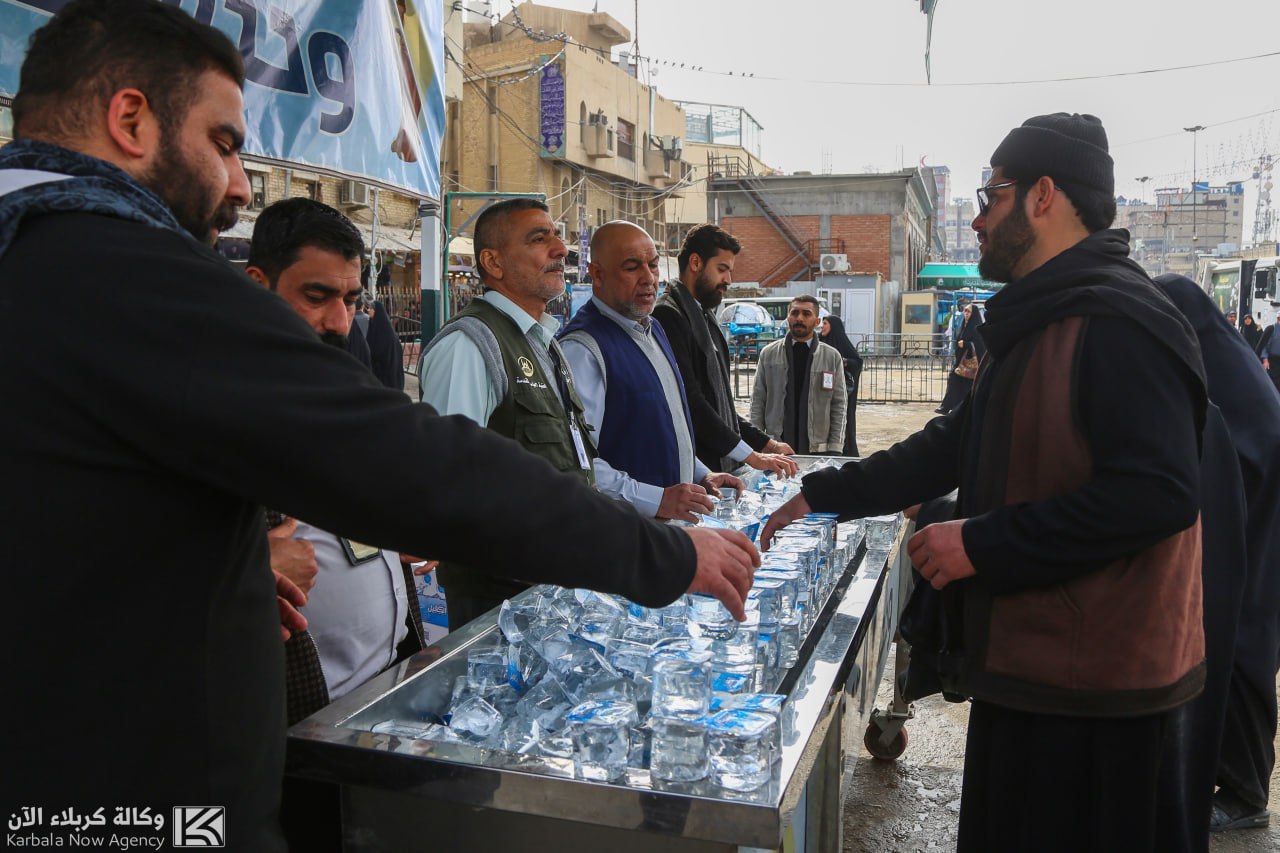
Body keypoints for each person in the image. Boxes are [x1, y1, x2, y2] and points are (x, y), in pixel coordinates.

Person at [0, 3, 757, 848]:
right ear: (131, 118)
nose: (241, 185)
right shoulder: (121, 275)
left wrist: (212, 567)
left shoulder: (39, 264)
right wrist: (662, 555)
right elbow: (416, 464)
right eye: (223, 142)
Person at [762, 113, 1208, 851]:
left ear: (1043, 195)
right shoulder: (1041, 317)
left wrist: (980, 543)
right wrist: (824, 492)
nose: (976, 219)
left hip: (1099, 701)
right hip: (1034, 669)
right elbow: (956, 441)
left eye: (990, 196)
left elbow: (1158, 494)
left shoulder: (1119, 321)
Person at [244, 197, 423, 712]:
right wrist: (248, 570)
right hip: (297, 719)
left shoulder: (344, 393)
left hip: (393, 681)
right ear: (257, 286)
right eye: (317, 296)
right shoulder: (212, 408)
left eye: (351, 299)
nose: (340, 321)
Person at [418, 197, 596, 629]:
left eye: (557, 236)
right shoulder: (469, 345)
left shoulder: (542, 341)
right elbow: (449, 483)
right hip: (501, 605)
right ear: (493, 262)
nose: (561, 249)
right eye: (539, 239)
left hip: (557, 588)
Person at [1152, 274, 1280, 841]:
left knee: (1245, 654)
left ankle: (1248, 793)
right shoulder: (1229, 369)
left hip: (1258, 545)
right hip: (1254, 540)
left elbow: (1241, 461)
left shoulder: (1238, 389)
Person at [558, 221, 744, 522]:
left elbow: (664, 429)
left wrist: (700, 474)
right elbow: (578, 462)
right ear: (597, 274)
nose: (648, 278)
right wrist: (657, 499)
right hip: (625, 532)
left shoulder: (652, 329)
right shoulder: (583, 350)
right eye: (632, 267)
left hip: (668, 529)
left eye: (654, 265)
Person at [651, 223, 797, 477]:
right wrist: (752, 456)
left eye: (730, 271)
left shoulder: (705, 316)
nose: (728, 280)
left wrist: (766, 444)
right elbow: (692, 403)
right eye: (722, 269)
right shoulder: (668, 315)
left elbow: (721, 405)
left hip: (719, 470)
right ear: (695, 262)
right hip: (695, 473)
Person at [748, 296, 847, 456]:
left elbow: (839, 405)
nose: (799, 318)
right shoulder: (769, 354)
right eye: (795, 313)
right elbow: (758, 401)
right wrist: (757, 443)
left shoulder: (831, 357)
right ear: (788, 318)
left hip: (818, 448)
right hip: (777, 447)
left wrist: (835, 447)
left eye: (806, 314)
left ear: (817, 321)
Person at [818, 314, 863, 456]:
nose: (822, 327)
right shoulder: (818, 342)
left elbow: (857, 362)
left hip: (839, 392)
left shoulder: (842, 342)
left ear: (834, 326)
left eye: (825, 323)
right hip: (821, 392)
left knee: (841, 419)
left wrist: (843, 362)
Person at [936, 302, 985, 415]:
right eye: (965, 311)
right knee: (953, 381)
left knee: (967, 389)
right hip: (960, 363)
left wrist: (966, 344)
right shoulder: (964, 326)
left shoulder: (977, 327)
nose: (966, 314)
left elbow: (980, 345)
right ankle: (946, 407)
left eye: (969, 311)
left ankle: (962, 409)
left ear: (973, 314)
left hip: (971, 365)